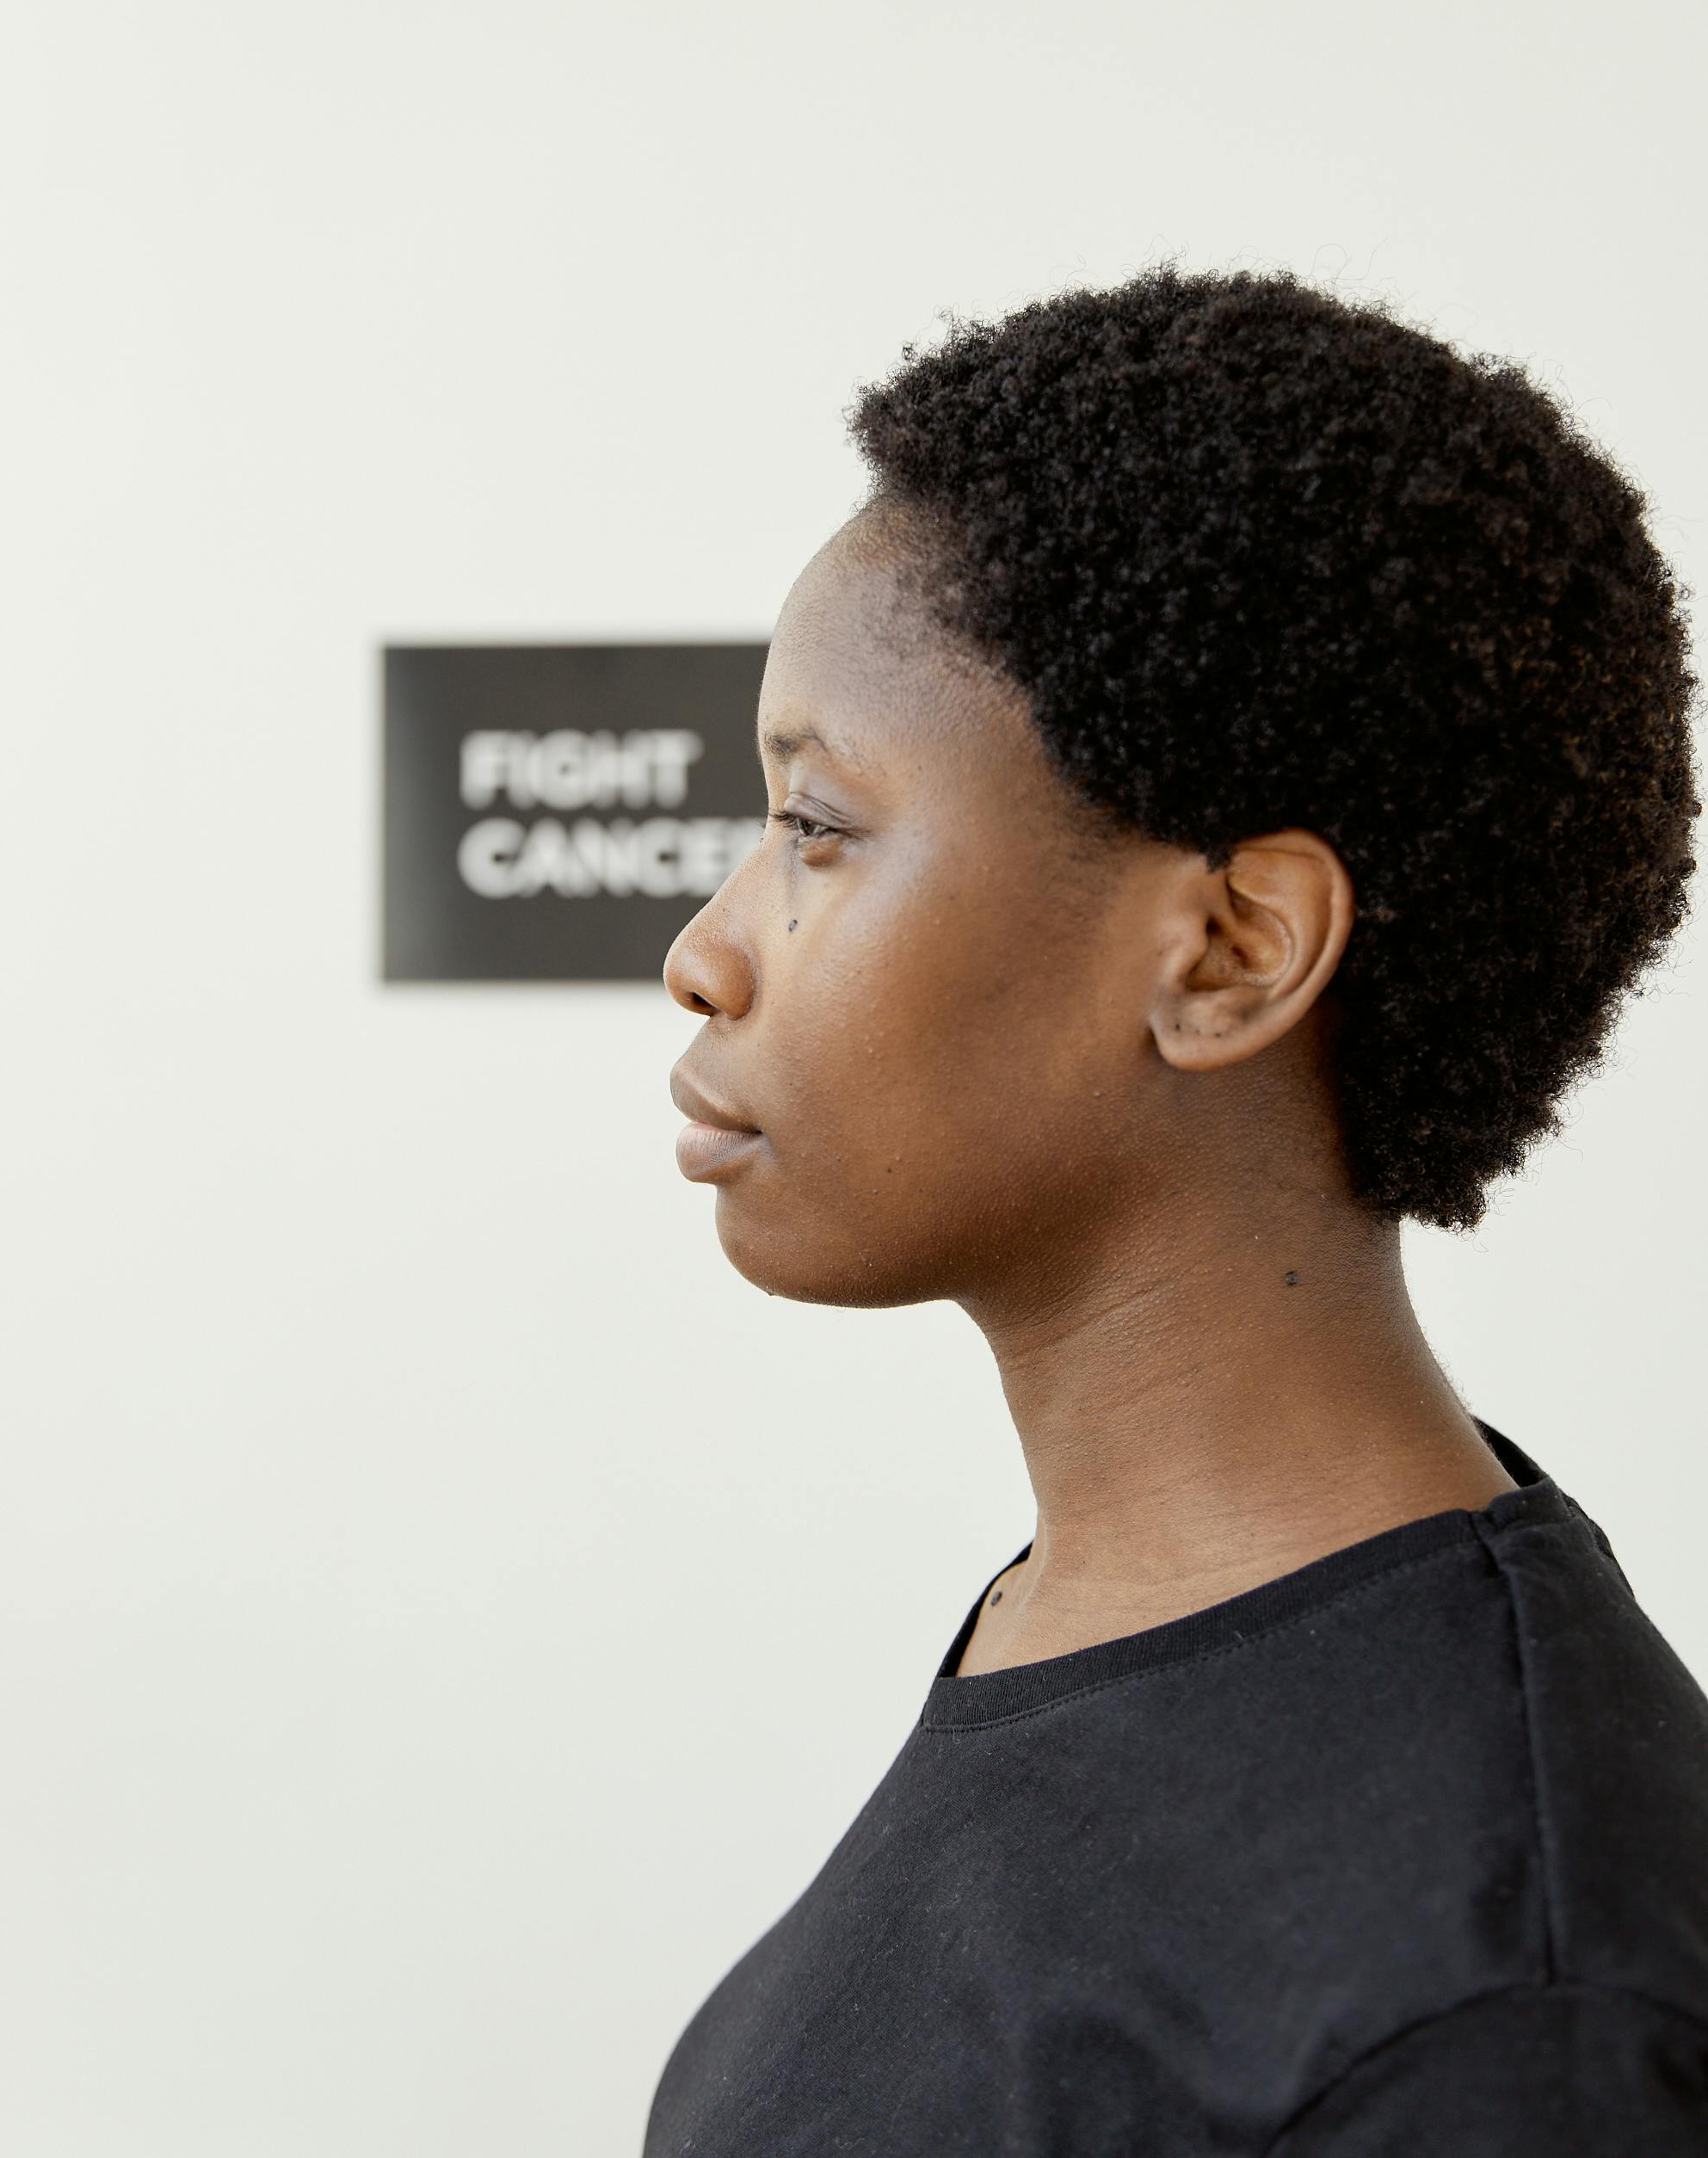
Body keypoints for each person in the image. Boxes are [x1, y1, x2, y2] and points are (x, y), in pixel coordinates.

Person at [645, 268, 1707, 2155]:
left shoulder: (1500, 2014)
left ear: (1226, 954)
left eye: (816, 830)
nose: (707, 952)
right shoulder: (1098, 1619)